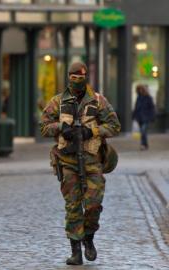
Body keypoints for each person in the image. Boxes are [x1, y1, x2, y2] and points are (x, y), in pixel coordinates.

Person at [40, 62, 120, 265]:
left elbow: (114, 125)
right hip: (68, 161)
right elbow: (44, 127)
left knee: (93, 204)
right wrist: (60, 128)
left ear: (86, 78)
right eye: (73, 78)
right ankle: (75, 250)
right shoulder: (57, 101)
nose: (77, 82)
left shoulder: (98, 101)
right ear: (68, 78)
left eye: (81, 78)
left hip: (92, 161)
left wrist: (91, 131)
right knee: (73, 206)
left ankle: (89, 237)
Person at [132, 84, 156, 150]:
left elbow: (152, 108)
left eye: (141, 89)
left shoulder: (148, 98)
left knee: (143, 131)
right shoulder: (138, 98)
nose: (140, 91)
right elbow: (136, 108)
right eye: (138, 89)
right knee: (143, 132)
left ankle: (143, 145)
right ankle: (146, 145)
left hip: (146, 118)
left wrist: (151, 117)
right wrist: (134, 116)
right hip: (139, 118)